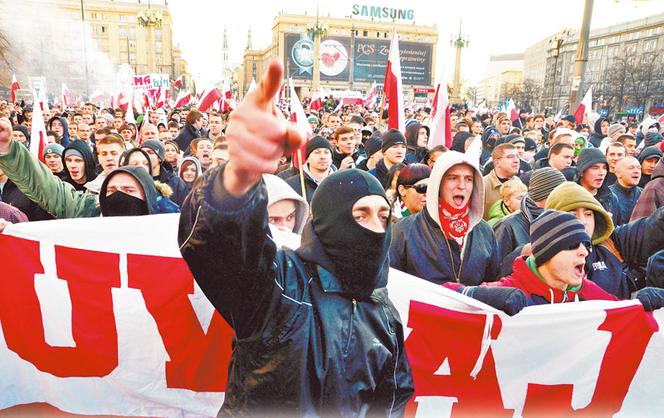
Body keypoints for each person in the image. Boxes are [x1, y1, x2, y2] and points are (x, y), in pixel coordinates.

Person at [178, 59, 414, 416]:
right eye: (359, 215)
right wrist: (238, 179)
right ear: (328, 223)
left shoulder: (384, 315)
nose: (375, 227)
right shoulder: (280, 285)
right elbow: (221, 245)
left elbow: (393, 399)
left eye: (383, 216)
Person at [447, 210, 664, 314]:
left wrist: (638, 304)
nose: (584, 253)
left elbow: (618, 313)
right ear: (546, 253)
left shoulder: (587, 290)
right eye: (571, 246)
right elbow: (437, 295)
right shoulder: (509, 291)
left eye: (586, 245)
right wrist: (479, 296)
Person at [0, 117, 178, 219]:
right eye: (112, 189)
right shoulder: (90, 211)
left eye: (128, 189)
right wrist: (8, 149)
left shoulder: (170, 223)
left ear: (147, 193)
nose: (119, 194)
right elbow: (50, 190)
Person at [390, 150, 499, 285]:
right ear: (438, 183)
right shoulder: (403, 231)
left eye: (468, 179)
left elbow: (492, 284)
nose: (462, 186)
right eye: (453, 178)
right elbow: (391, 286)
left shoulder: (484, 231)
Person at [546, 181, 664, 298]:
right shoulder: (541, 260)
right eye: (573, 215)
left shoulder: (612, 243)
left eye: (588, 214)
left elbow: (653, 227)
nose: (583, 221)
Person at [494, 167, 567, 275]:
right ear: (546, 195)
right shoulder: (507, 225)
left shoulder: (563, 220)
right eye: (562, 194)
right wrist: (523, 252)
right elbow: (493, 273)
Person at [285, 136, 336, 203]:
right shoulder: (291, 185)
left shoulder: (341, 182)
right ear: (307, 159)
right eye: (317, 152)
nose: (323, 157)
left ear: (331, 158)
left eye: (326, 152)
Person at [576, 148, 619, 224]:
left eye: (605, 168)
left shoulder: (611, 198)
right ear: (582, 171)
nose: (601, 173)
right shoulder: (570, 198)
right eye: (595, 168)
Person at [141, 139, 189, 206]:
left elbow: (185, 210)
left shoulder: (175, 182)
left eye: (150, 152)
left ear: (160, 158)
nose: (145, 155)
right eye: (142, 153)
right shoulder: (136, 180)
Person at [483, 143, 522, 220]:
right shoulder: (483, 185)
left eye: (517, 156)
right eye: (510, 157)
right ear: (497, 162)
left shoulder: (518, 182)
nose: (516, 161)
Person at [609, 156, 642, 226]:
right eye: (631, 168)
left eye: (639, 168)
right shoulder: (607, 195)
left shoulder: (644, 194)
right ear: (618, 173)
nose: (636, 171)